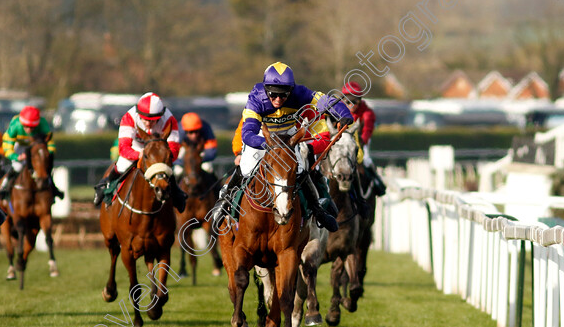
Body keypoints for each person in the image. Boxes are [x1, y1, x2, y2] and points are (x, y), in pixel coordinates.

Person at [212, 62, 353, 232]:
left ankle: (317, 209)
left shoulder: (301, 93)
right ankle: (225, 200)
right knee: (246, 167)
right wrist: (267, 144)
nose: (278, 99)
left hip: (288, 139)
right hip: (262, 137)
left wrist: (344, 114)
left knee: (300, 169)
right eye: (273, 94)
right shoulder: (256, 97)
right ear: (265, 90)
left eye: (284, 95)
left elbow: (328, 101)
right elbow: (248, 133)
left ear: (291, 91)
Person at [92, 92, 188, 212]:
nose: (148, 124)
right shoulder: (129, 118)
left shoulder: (169, 120)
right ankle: (105, 185)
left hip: (157, 152)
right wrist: (139, 155)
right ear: (139, 114)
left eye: (153, 121)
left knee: (167, 170)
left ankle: (177, 194)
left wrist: (163, 159)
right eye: (145, 119)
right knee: (122, 165)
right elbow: (123, 148)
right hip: (136, 147)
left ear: (160, 116)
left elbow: (174, 149)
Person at [0, 106, 63, 200]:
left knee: (44, 167)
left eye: (32, 127)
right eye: (26, 126)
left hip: (35, 146)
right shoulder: (15, 125)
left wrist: (46, 155)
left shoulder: (43, 124)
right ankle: (5, 186)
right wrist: (16, 157)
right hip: (19, 145)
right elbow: (7, 146)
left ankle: (53, 187)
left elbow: (50, 144)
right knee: (18, 166)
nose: (29, 130)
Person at [342, 81, 386, 196]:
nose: (351, 105)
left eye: (355, 102)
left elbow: (367, 132)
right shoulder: (338, 111)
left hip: (360, 143)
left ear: (360, 101)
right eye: (348, 102)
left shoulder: (367, 113)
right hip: (342, 143)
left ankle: (375, 181)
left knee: (366, 161)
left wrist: (360, 143)